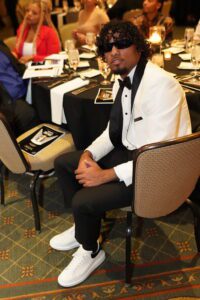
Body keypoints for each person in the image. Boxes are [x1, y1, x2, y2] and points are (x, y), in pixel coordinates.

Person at [49, 20, 191, 287]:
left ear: (138, 46)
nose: (113, 51)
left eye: (122, 43)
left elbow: (156, 155)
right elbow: (113, 132)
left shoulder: (161, 85)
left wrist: (105, 175)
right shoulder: (122, 82)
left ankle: (91, 251)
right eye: (107, 46)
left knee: (83, 200)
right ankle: (84, 229)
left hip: (157, 172)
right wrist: (88, 153)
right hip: (133, 155)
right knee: (65, 164)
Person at [0, 40, 39, 137]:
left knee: (48, 100)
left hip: (26, 88)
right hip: (8, 101)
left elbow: (16, 65)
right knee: (28, 114)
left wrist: (36, 72)